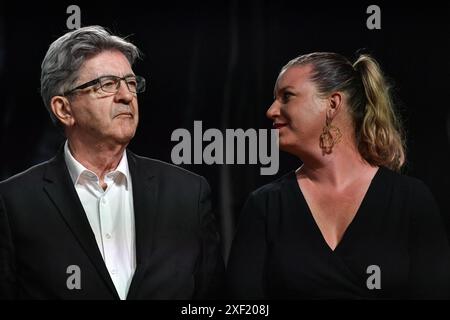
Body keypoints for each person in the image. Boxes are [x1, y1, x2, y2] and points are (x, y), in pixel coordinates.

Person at [0, 26, 224, 300]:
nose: (127, 96)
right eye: (107, 84)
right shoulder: (13, 203)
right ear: (63, 109)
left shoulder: (188, 193)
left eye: (131, 83)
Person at [226, 52, 450, 299]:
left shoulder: (411, 200)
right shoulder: (265, 206)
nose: (271, 111)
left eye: (286, 97)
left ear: (332, 104)